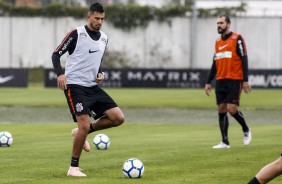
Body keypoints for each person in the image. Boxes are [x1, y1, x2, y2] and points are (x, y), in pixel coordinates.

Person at [51, 3, 124, 177]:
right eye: (97, 18)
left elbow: (96, 61)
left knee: (118, 118)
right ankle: (73, 168)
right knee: (83, 123)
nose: (100, 22)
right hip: (75, 86)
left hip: (92, 86)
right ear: (89, 17)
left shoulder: (104, 38)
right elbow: (56, 54)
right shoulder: (76, 34)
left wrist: (100, 73)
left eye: (102, 19)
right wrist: (60, 74)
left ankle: (82, 132)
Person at [204, 15, 252, 149]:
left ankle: (246, 129)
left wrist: (245, 80)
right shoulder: (218, 41)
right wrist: (208, 81)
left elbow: (244, 58)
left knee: (232, 109)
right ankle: (225, 141)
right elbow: (215, 62)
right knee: (221, 109)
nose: (219, 25)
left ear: (228, 24)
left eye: (221, 23)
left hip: (235, 79)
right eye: (217, 23)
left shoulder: (237, 39)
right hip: (220, 79)